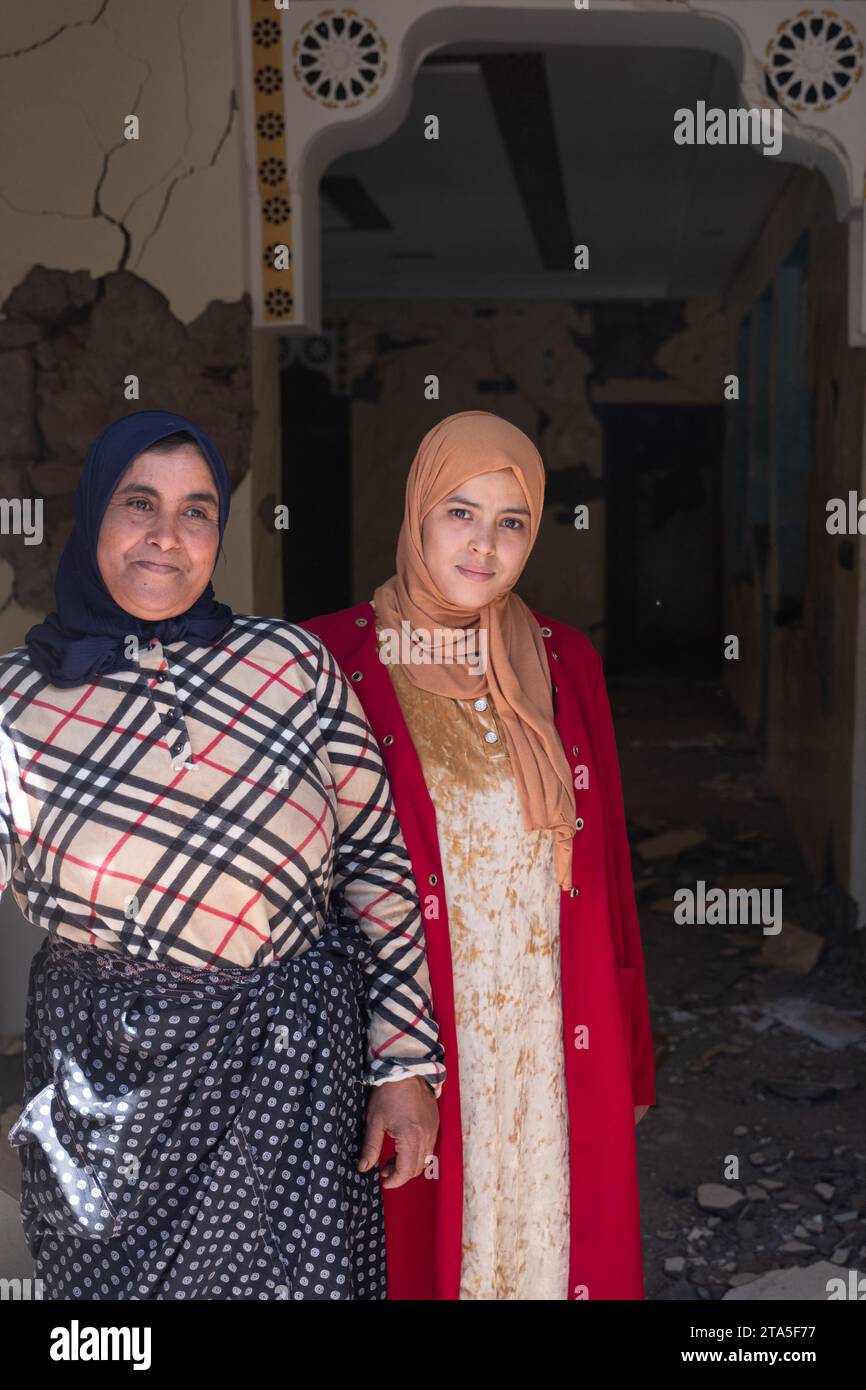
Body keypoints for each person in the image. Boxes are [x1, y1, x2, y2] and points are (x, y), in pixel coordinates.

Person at [2, 409, 443, 1301]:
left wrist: (402, 1064)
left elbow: (376, 869)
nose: (167, 536)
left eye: (197, 510)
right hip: (107, 1078)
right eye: (139, 504)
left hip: (295, 1072)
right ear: (93, 516)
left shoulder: (290, 665)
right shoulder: (17, 698)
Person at [303, 410, 656, 1301]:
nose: (484, 545)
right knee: (419, 1256)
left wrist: (632, 1049)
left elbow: (607, 870)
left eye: (512, 522)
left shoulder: (562, 661)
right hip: (410, 1033)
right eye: (460, 513)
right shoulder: (326, 659)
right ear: (418, 513)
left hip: (547, 1026)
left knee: (549, 1242)